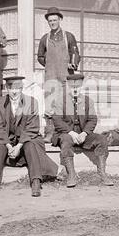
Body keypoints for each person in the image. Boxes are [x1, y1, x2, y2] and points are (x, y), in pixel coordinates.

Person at [0, 76, 59, 197]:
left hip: (26, 138)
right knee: (0, 147)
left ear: (21, 88)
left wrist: (18, 146)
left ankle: (36, 182)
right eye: (11, 88)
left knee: (30, 145)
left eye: (17, 88)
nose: (14, 91)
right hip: (8, 138)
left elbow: (32, 128)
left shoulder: (32, 102)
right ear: (6, 89)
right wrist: (8, 145)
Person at [51, 74, 114, 187]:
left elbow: (92, 119)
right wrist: (71, 132)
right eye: (72, 87)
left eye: (78, 87)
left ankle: (102, 172)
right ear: (68, 87)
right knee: (65, 141)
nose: (75, 89)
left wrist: (85, 133)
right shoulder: (61, 101)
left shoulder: (87, 101)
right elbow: (57, 120)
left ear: (82, 87)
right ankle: (71, 175)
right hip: (67, 133)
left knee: (102, 139)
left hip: (83, 133)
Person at [37, 7, 80, 143]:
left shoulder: (69, 36)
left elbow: (75, 53)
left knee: (67, 105)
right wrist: (50, 66)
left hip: (66, 78)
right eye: (50, 21)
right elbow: (40, 57)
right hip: (50, 78)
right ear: (48, 22)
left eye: (55, 20)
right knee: (50, 107)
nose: (53, 23)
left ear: (60, 20)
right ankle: (49, 134)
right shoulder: (45, 38)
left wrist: (72, 64)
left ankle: (68, 133)